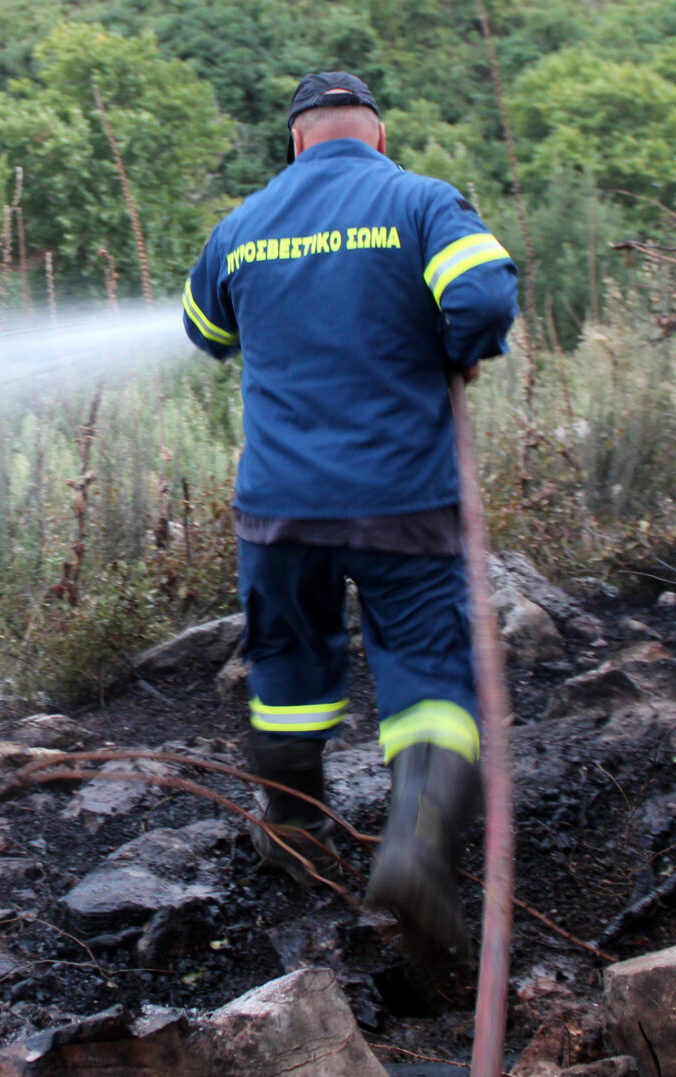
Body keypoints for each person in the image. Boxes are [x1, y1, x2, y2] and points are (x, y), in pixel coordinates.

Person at [180, 72, 519, 956]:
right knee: (427, 672)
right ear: (377, 133)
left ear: (296, 140)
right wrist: (458, 348)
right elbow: (482, 298)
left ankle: (294, 833)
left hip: (279, 509)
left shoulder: (242, 224)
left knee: (287, 665)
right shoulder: (418, 201)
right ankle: (411, 847)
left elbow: (205, 332)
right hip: (403, 498)